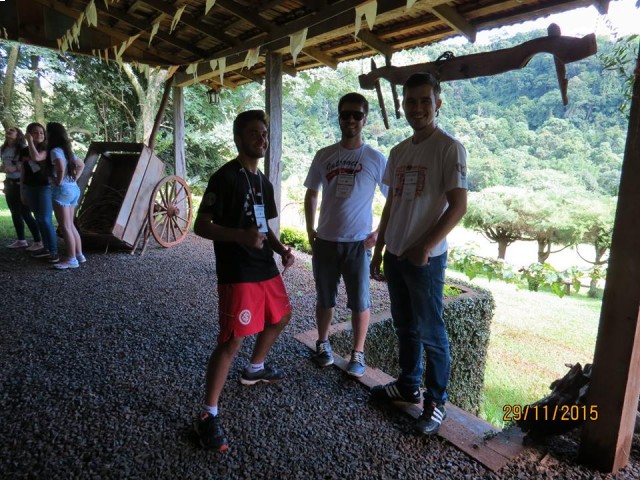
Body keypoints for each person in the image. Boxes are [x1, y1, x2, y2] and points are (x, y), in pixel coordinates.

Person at [369, 73, 468, 436]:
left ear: (437, 104)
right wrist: (380, 249)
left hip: (426, 259)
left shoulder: (449, 148)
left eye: (425, 100)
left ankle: (436, 402)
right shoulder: (398, 151)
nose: (418, 108)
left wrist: (424, 247)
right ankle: (408, 385)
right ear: (403, 106)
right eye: (411, 101)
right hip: (396, 253)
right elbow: (391, 204)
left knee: (431, 330)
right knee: (405, 325)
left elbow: (459, 206)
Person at [192, 110, 294, 452]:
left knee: (281, 317)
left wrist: (281, 250)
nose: (261, 139)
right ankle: (208, 415)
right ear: (238, 139)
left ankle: (255, 367)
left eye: (264, 134)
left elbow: (263, 226)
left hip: (264, 265)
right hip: (237, 271)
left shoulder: (263, 182)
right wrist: (239, 236)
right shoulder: (224, 177)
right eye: (253, 134)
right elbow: (201, 225)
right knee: (232, 339)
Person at [303, 92, 387, 378]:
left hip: (358, 243)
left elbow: (393, 198)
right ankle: (322, 343)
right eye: (345, 114)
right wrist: (310, 230)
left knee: (360, 301)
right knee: (324, 297)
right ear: (339, 118)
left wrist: (379, 233)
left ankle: (357, 353)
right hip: (326, 240)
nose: (350, 119)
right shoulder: (324, 155)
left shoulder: (375, 158)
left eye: (356, 115)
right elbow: (311, 192)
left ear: (365, 119)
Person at [46, 122, 86, 269]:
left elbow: (61, 168)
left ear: (51, 134)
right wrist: (75, 179)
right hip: (73, 189)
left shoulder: (55, 150)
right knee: (70, 225)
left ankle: (71, 259)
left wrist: (58, 181)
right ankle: (79, 255)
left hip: (62, 191)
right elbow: (81, 165)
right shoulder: (67, 151)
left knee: (65, 227)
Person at [21, 122, 59, 263]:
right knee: (38, 218)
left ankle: (54, 252)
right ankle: (46, 248)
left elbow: (37, 157)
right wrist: (22, 190)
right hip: (30, 187)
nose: (39, 135)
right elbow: (23, 171)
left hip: (45, 187)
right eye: (35, 132)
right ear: (29, 133)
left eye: (41, 132)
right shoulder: (24, 151)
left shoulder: (48, 148)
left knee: (45, 219)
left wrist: (30, 142)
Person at [1, 127, 42, 250]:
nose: (9, 131)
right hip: (9, 183)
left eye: (12, 130)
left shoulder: (23, 148)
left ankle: (38, 241)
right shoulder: (3, 149)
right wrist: (3, 168)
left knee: (25, 213)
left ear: (18, 134)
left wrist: (15, 168)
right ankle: (21, 240)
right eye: (8, 130)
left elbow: (29, 165)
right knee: (14, 212)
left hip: (21, 183)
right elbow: (4, 164)